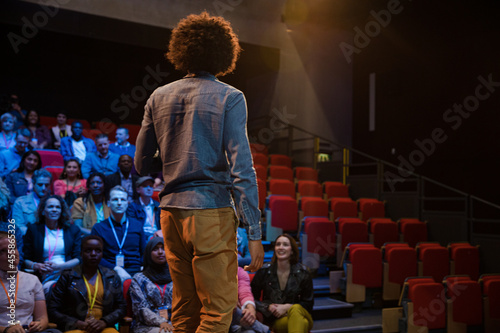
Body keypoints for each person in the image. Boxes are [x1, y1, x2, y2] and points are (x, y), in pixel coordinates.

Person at [135, 12, 264, 332]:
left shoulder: (158, 96)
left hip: (171, 213)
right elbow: (243, 169)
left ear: (182, 51)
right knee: (218, 310)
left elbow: (140, 163)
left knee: (185, 306)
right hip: (210, 211)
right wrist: (255, 233)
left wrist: (173, 159)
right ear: (224, 53)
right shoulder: (231, 97)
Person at [47, 235, 127, 333]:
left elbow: (121, 307)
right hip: (76, 328)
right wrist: (76, 322)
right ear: (81, 253)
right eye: (88, 250)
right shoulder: (68, 276)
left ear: (102, 254)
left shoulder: (112, 276)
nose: (93, 254)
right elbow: (52, 309)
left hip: (104, 327)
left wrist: (105, 321)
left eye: (98, 251)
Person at [250, 234, 314, 333]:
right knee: (303, 323)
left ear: (292, 250)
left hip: (302, 314)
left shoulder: (303, 272)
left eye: (285, 244)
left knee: (296, 309)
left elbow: (308, 303)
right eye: (278, 244)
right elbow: (251, 297)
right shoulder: (265, 271)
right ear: (275, 249)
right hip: (277, 320)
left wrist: (288, 307)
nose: (280, 247)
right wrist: (268, 307)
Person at [0, 231, 62, 333]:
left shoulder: (32, 280)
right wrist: (6, 330)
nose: (11, 254)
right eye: (3, 250)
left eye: (13, 248)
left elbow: (42, 318)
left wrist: (39, 324)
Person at [22, 195, 81, 294]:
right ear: (43, 210)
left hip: (66, 273)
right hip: (43, 274)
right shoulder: (33, 230)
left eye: (58, 207)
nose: (54, 210)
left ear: (61, 211)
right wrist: (36, 266)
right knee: (52, 291)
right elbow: (25, 259)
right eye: (50, 207)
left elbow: (78, 259)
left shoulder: (72, 230)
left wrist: (59, 267)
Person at [90, 186, 147, 281]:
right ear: (108, 203)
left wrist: (143, 268)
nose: (119, 203)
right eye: (115, 200)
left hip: (136, 271)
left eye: (123, 200)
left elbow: (144, 253)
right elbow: (95, 257)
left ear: (127, 203)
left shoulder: (137, 225)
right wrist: (116, 269)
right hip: (109, 271)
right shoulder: (99, 228)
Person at [129, 237, 173, 333]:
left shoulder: (176, 276)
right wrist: (161, 322)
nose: (160, 252)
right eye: (155, 249)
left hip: (174, 323)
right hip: (146, 325)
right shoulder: (139, 278)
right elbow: (140, 309)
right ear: (148, 253)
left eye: (163, 248)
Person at [11, 169, 52, 236]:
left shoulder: (56, 202)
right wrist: (36, 236)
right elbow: (18, 226)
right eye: (40, 184)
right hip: (28, 239)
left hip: (51, 239)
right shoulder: (20, 202)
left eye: (47, 185)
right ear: (33, 184)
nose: (43, 188)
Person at [230, 267, 269, 333]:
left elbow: (245, 293)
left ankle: (265, 330)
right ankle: (266, 331)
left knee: (250, 332)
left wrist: (250, 309)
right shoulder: (209, 273)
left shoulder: (239, 271)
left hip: (234, 323)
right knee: (229, 305)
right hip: (213, 319)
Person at [126, 176, 161, 240]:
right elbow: (134, 227)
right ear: (138, 190)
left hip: (157, 237)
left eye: (151, 186)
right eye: (145, 186)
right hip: (141, 237)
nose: (149, 189)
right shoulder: (132, 207)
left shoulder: (158, 205)